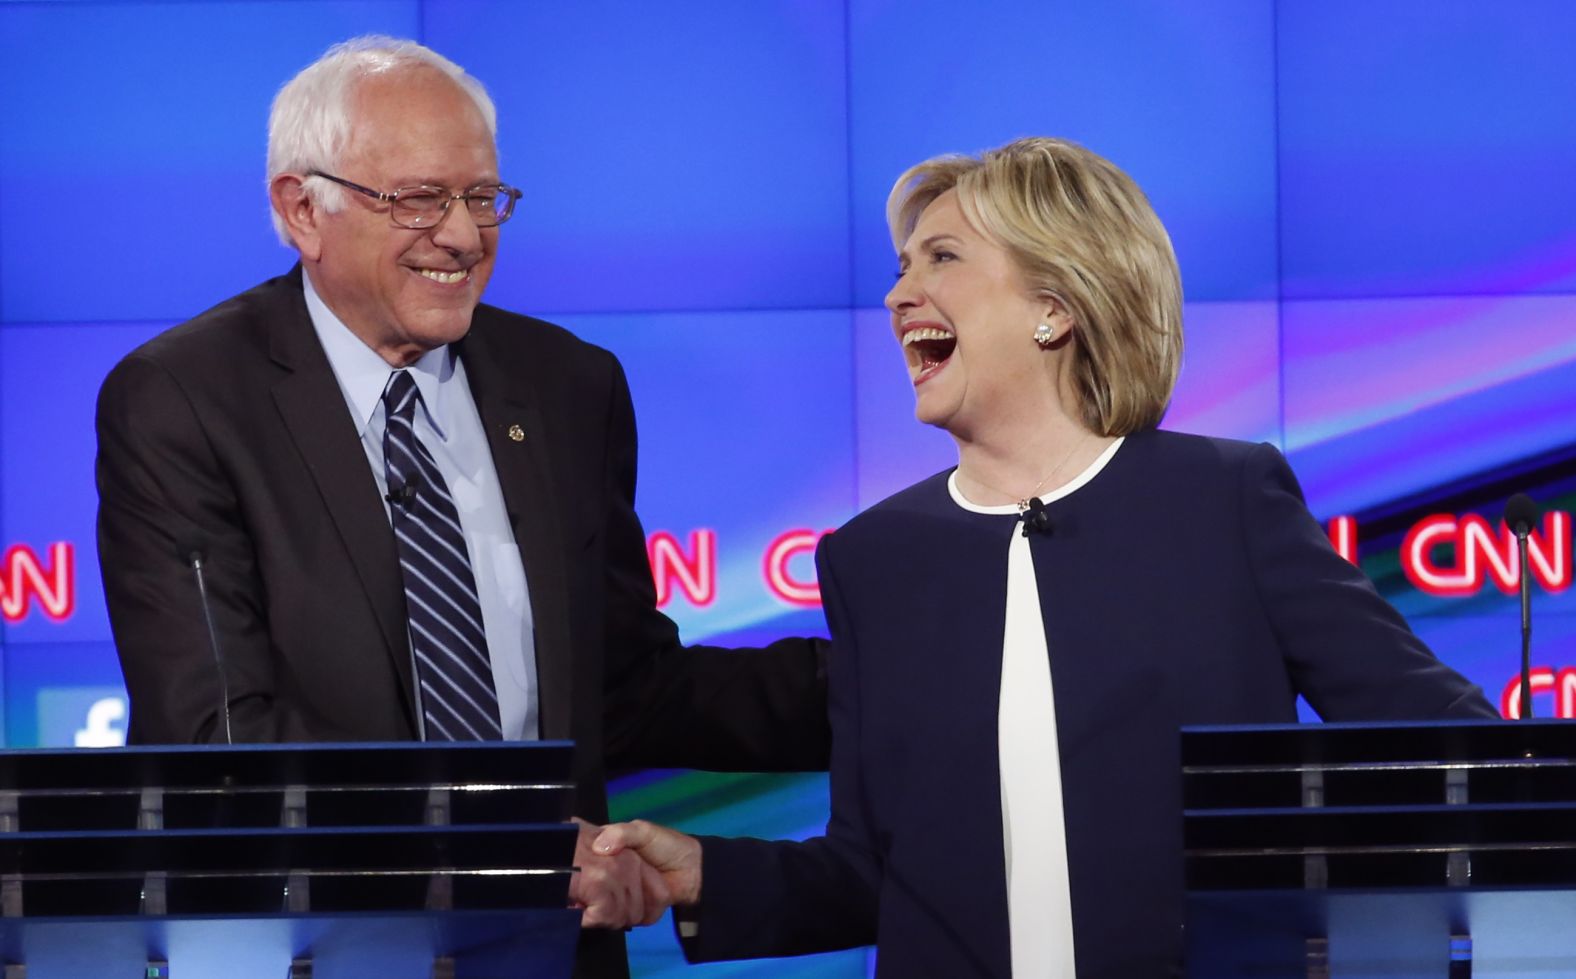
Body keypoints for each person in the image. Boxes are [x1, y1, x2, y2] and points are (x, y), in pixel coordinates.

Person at [592, 137, 1500, 977]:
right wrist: (704, 872)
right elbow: (876, 870)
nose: (899, 295)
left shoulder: (1223, 501)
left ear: (1054, 308)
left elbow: (1443, 743)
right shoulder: (876, 561)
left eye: (941, 258)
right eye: (902, 267)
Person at [93, 36, 829, 978]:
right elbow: (222, 748)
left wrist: (885, 689)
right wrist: (504, 843)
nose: (463, 236)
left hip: (549, 952)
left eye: (483, 198)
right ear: (299, 209)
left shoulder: (566, 385)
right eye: (416, 200)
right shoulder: (187, 399)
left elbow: (625, 692)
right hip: (314, 952)